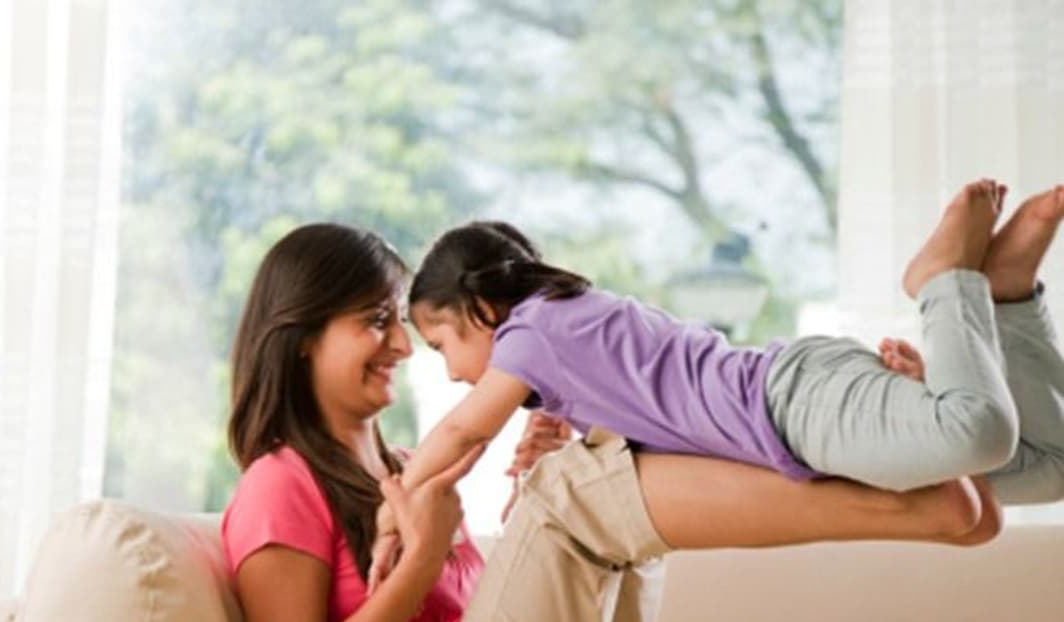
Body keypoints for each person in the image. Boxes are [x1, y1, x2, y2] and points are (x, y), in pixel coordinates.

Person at [221, 222, 996, 622]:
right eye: (376, 322)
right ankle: (902, 508)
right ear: (301, 336)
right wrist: (423, 561)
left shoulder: (404, 472)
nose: (399, 346)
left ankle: (894, 475)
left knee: (602, 463)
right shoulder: (279, 483)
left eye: (402, 323)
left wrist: (538, 498)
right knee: (575, 490)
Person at [378, 182, 1064, 572]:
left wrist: (397, 497)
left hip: (791, 401)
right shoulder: (562, 334)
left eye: (442, 345)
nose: (453, 373)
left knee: (976, 431)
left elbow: (463, 432)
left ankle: (945, 281)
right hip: (803, 415)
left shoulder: (532, 332)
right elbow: (606, 407)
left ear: (484, 310)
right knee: (1039, 475)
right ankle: (1008, 299)